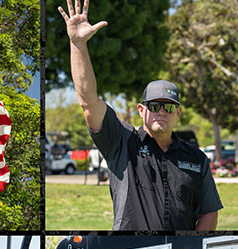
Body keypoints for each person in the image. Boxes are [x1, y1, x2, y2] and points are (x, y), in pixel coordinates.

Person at [59, 0, 222, 230]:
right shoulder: (121, 141)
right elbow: (88, 102)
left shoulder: (197, 159)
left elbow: (209, 212)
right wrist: (77, 44)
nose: (161, 112)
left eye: (168, 106)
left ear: (179, 112)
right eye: (154, 106)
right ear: (141, 110)